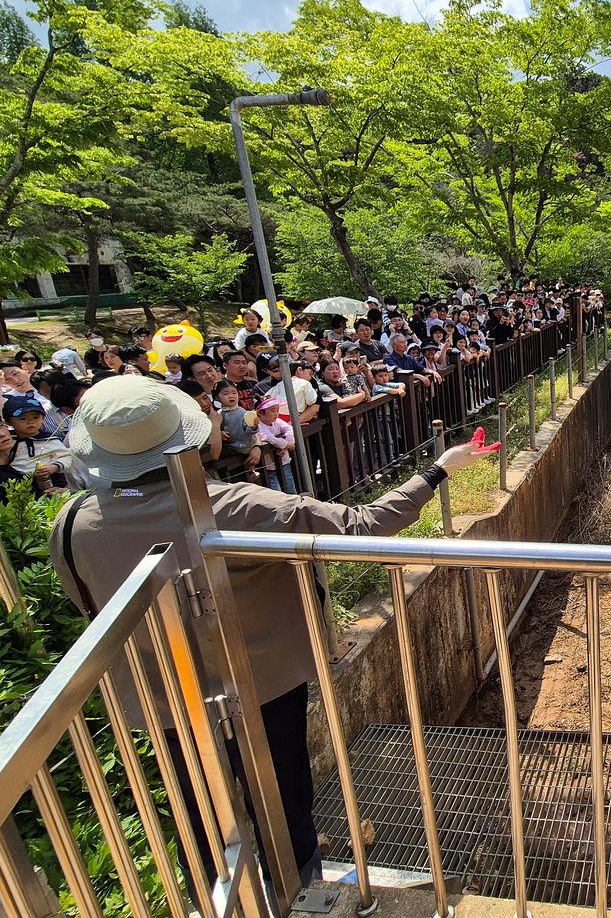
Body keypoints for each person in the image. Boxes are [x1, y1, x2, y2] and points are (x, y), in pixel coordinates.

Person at [49, 376, 496, 906]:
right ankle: (299, 890)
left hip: (159, 696)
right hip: (260, 685)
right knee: (282, 796)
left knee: (197, 803)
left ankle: (216, 895)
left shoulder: (74, 520)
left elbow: (90, 606)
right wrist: (439, 468)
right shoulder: (234, 506)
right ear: (182, 437)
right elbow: (363, 525)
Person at [4, 394, 86, 493]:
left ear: (43, 418)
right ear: (8, 422)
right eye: (22, 419)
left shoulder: (50, 440)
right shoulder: (8, 440)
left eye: (36, 417)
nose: (30, 422)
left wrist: (54, 467)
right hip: (19, 481)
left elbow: (66, 457)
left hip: (51, 478)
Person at [254, 396, 297, 493]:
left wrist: (290, 441)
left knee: (290, 487)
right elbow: (268, 438)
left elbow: (289, 429)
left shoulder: (277, 421)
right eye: (272, 411)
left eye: (277, 410)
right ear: (260, 413)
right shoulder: (259, 426)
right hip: (268, 464)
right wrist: (285, 445)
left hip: (283, 460)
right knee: (276, 490)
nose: (276, 414)